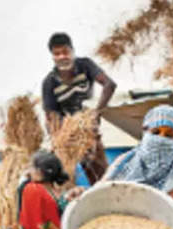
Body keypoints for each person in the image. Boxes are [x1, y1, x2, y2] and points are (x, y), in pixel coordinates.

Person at [41, 32, 116, 185]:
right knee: (64, 182)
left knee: (101, 178)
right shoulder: (49, 82)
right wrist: (59, 140)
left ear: (72, 51)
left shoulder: (85, 65)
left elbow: (109, 84)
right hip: (66, 139)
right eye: (57, 54)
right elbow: (51, 117)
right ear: (52, 56)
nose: (62, 56)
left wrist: (97, 113)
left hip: (88, 133)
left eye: (65, 52)